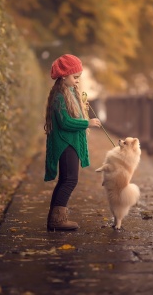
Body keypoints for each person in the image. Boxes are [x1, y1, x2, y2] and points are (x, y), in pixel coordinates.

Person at [44, 54, 101, 231]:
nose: (77, 81)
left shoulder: (69, 93)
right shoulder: (60, 97)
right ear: (63, 76)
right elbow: (65, 122)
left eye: (78, 78)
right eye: (75, 77)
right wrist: (87, 123)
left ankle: (54, 219)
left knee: (65, 180)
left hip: (71, 142)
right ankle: (58, 220)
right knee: (69, 180)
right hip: (66, 143)